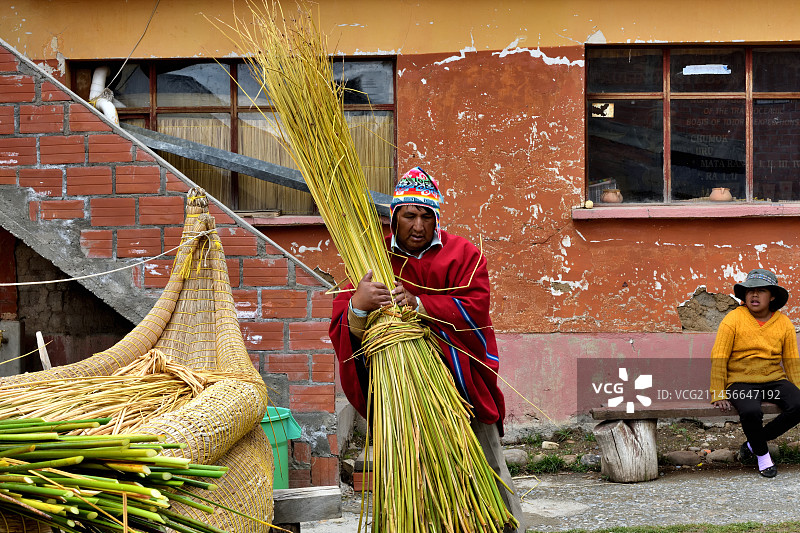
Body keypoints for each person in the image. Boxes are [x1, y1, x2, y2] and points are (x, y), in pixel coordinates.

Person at [329, 167, 525, 532]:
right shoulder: (368, 258)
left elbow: (475, 310)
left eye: (426, 216)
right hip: (398, 397)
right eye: (409, 216)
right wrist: (357, 304)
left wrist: (420, 305)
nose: (418, 226)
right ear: (394, 216)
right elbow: (342, 327)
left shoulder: (463, 255)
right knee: (407, 486)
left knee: (488, 473)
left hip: (458, 389)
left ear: (436, 219)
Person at [710, 268, 800, 478]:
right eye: (750, 291)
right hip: (741, 382)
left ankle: (752, 444)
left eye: (761, 291)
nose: (754, 295)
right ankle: (762, 455)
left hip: (773, 380)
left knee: (799, 404)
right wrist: (718, 392)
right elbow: (719, 356)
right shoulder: (733, 319)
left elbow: (791, 362)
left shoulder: (784, 323)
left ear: (772, 296)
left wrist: (797, 389)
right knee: (751, 411)